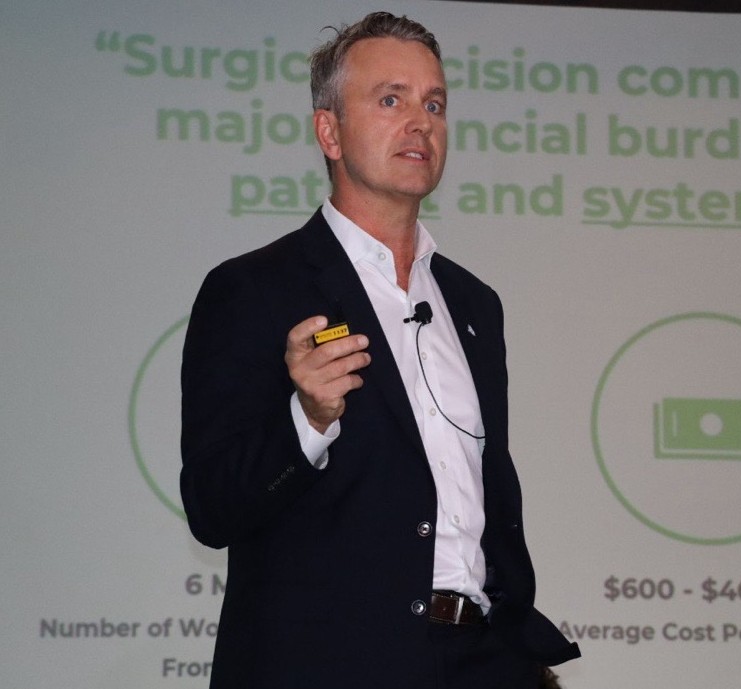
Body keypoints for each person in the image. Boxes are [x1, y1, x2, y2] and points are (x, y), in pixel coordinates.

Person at [180, 10, 580, 689]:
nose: (420, 122)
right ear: (329, 132)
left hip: (482, 661)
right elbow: (212, 507)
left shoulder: (474, 304)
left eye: (435, 104)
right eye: (391, 100)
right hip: (334, 664)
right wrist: (307, 419)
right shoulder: (254, 289)